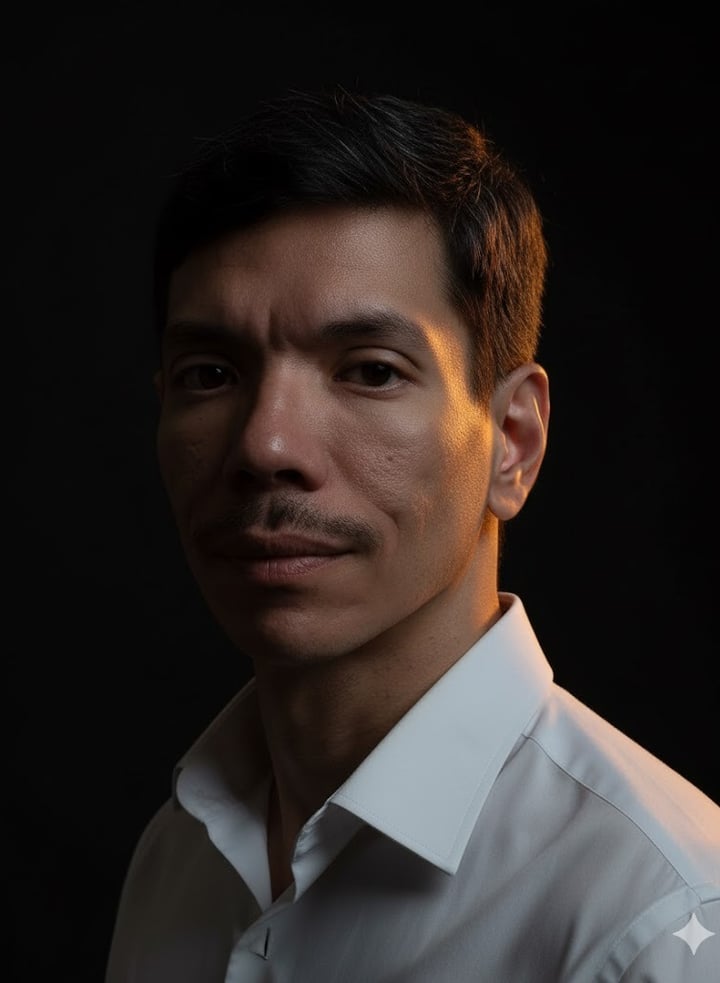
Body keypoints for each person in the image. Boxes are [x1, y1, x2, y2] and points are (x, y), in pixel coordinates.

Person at [105, 86, 720, 982]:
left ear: (514, 442)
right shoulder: (179, 857)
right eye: (210, 373)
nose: (266, 445)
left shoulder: (659, 917)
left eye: (369, 370)